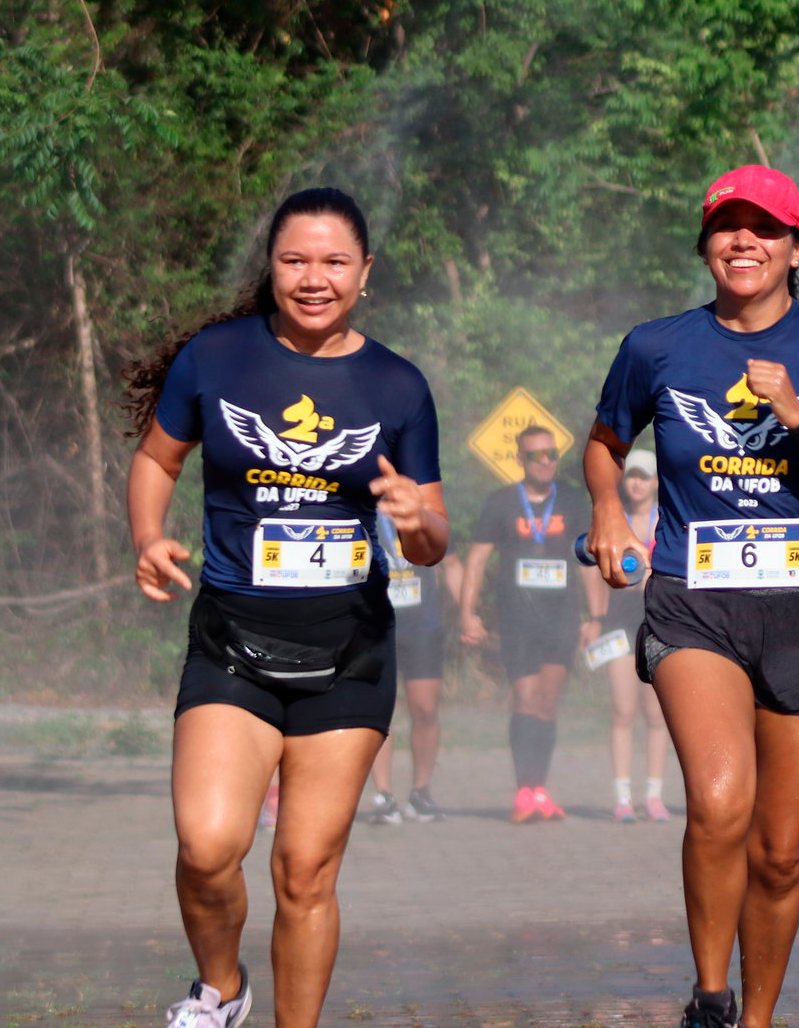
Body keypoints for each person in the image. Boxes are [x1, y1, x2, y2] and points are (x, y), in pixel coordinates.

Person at [582, 164, 799, 1028]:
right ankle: (711, 997)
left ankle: (756, 1017)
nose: (743, 241)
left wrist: (797, 416)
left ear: (797, 248)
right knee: (720, 805)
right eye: (727, 225)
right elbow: (605, 442)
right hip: (696, 601)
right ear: (705, 243)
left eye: (765, 228)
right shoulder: (657, 345)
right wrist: (609, 509)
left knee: (781, 852)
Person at [124, 187, 447, 1028]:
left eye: (334, 262)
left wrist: (418, 526)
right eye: (295, 260)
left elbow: (430, 535)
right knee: (207, 848)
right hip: (233, 644)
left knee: (304, 869)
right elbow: (158, 458)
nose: (314, 278)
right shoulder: (217, 357)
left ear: (365, 273)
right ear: (270, 268)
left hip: (349, 654)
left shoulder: (397, 385)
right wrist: (148, 536)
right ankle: (220, 989)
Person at [461, 424, 582, 823]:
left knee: (547, 703)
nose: (545, 461)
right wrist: (468, 612)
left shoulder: (574, 501)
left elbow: (592, 561)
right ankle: (523, 791)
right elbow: (477, 559)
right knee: (526, 699)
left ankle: (540, 790)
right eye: (535, 455)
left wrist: (595, 618)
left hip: (562, 618)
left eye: (551, 454)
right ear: (519, 460)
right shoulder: (501, 502)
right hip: (518, 620)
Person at [580, 448, 674, 823]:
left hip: (660, 622)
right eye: (631, 476)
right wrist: (593, 616)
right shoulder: (610, 518)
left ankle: (653, 795)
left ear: (655, 483)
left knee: (656, 715)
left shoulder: (666, 520)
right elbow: (589, 566)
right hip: (618, 623)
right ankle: (622, 797)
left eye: (643, 477)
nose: (636, 483)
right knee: (622, 710)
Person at [365, 515, 464, 824]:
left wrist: (467, 612)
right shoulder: (359, 507)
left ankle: (421, 793)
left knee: (425, 709)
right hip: (375, 626)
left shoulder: (421, 509)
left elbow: (453, 563)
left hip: (423, 627)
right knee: (381, 711)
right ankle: (384, 795)